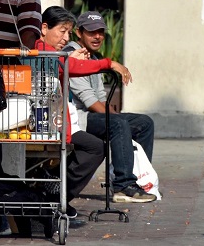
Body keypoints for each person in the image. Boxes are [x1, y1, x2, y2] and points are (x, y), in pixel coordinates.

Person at [66, 11, 156, 203]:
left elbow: (100, 97)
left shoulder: (93, 56)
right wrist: (118, 120)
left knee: (144, 123)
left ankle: (139, 177)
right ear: (78, 33)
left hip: (89, 116)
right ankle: (123, 186)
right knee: (117, 123)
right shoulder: (71, 53)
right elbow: (90, 101)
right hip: (76, 118)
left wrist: (119, 119)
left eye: (100, 32)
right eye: (91, 32)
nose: (97, 36)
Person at [35, 6, 108, 217]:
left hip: (61, 120)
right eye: (62, 31)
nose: (65, 38)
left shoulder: (57, 53)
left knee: (96, 145)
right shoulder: (40, 49)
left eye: (68, 32)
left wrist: (72, 60)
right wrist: (109, 64)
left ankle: (58, 195)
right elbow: (72, 69)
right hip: (47, 122)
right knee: (94, 147)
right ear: (44, 27)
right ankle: (57, 196)